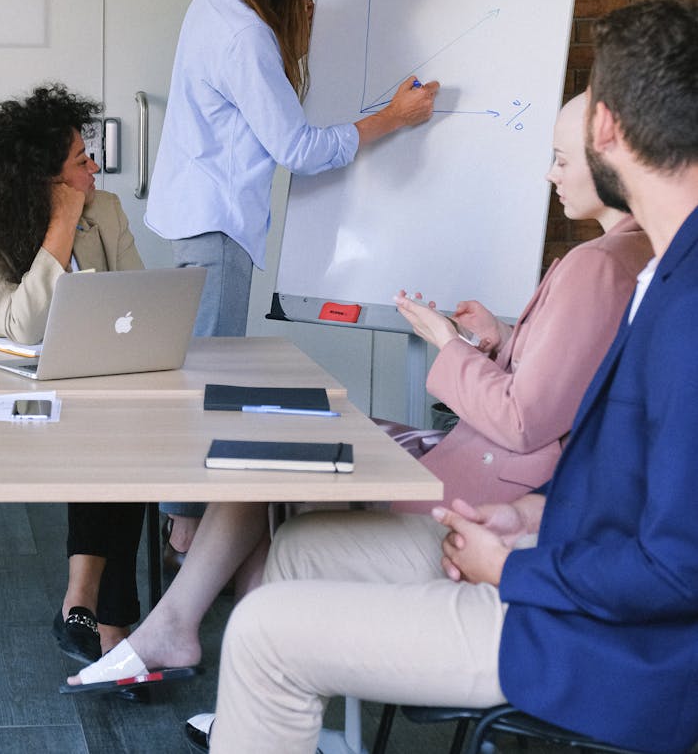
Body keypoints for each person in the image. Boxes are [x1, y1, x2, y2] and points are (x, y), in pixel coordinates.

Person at [183, 0, 698, 754]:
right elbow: (640, 490)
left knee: (260, 631)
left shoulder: (681, 299)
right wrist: (530, 519)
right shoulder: (663, 269)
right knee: (292, 567)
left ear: (606, 132)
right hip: (558, 567)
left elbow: (677, 567)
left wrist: (515, 567)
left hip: (595, 641)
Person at [68, 93, 650, 694]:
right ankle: (218, 657)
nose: (550, 173)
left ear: (608, 158)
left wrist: (446, 343)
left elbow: (524, 418)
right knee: (277, 446)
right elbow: (565, 389)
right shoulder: (631, 255)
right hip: (496, 469)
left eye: (560, 158)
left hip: (486, 485)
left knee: (272, 456)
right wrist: (502, 341)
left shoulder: (596, 266)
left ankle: (228, 663)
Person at [144, 0, 438, 562]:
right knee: (203, 386)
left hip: (199, 216)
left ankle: (183, 528)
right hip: (218, 226)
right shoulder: (246, 33)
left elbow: (260, 100)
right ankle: (186, 532)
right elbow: (298, 149)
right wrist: (392, 118)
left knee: (196, 376)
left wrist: (293, 33)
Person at [0, 85, 146, 670]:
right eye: (81, 161)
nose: (94, 167)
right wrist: (60, 225)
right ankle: (109, 625)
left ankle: (90, 612)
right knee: (110, 443)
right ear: (44, 178)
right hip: (6, 401)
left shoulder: (105, 209)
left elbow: (135, 300)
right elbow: (20, 326)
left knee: (124, 442)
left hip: (88, 391)